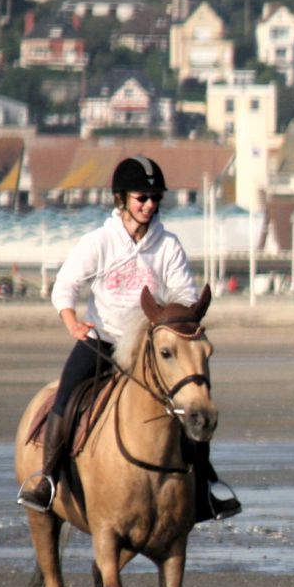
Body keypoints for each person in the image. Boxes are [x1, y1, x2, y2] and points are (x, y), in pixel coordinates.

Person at [17, 155, 240, 521]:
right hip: (102, 341)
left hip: (149, 348)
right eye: (142, 198)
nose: (149, 205)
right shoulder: (99, 242)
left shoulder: (167, 245)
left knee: (192, 403)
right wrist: (72, 323)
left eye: (155, 198)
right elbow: (65, 286)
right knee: (66, 400)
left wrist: (181, 319)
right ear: (121, 198)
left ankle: (204, 488)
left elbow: (184, 294)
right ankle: (48, 478)